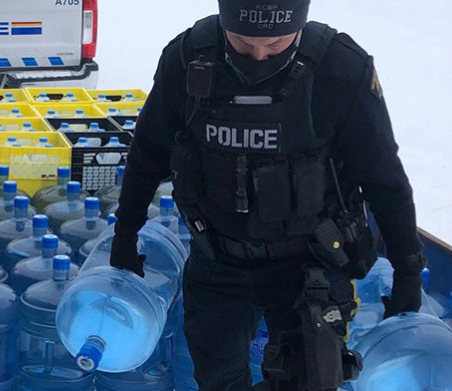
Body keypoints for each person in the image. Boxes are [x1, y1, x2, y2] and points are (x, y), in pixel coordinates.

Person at [108, 1, 427, 390]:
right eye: (242, 44)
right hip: (218, 257)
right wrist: (125, 233)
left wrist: (408, 268)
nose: (258, 56)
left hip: (310, 259)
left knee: (311, 378)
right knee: (217, 378)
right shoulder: (189, 58)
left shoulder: (340, 68)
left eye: (275, 45)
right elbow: (148, 153)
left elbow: (383, 177)